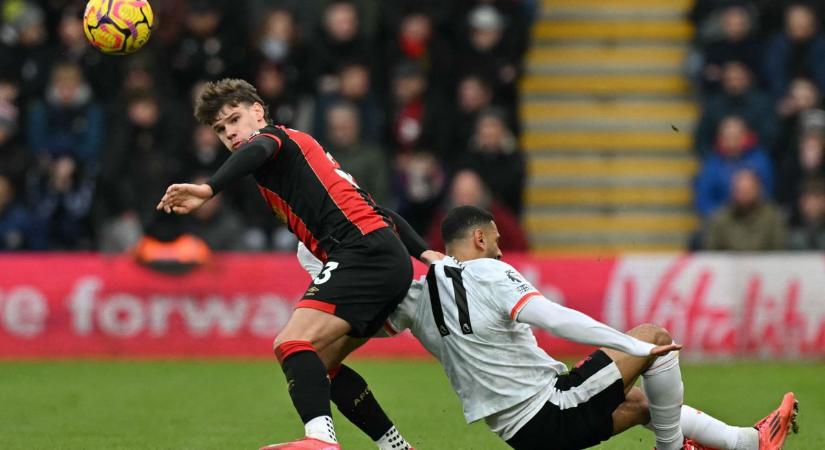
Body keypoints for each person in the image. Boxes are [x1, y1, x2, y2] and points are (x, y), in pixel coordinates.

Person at [303, 206, 800, 450]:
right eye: (496, 241)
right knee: (653, 337)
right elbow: (553, 317)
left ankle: (746, 443)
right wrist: (631, 345)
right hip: (549, 408)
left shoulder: (412, 299)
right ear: (478, 238)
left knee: (644, 405)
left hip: (521, 429)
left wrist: (325, 272)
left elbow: (363, 323)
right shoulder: (490, 271)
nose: (502, 249)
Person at [156, 78, 422, 450]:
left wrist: (208, 188)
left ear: (258, 111)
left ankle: (320, 441)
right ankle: (396, 447)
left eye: (234, 119)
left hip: (363, 254)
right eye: (220, 129)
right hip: (380, 253)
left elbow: (258, 148)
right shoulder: (295, 158)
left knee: (292, 342)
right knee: (321, 364)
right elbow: (378, 210)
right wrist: (424, 252)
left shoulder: (276, 140)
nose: (230, 133)